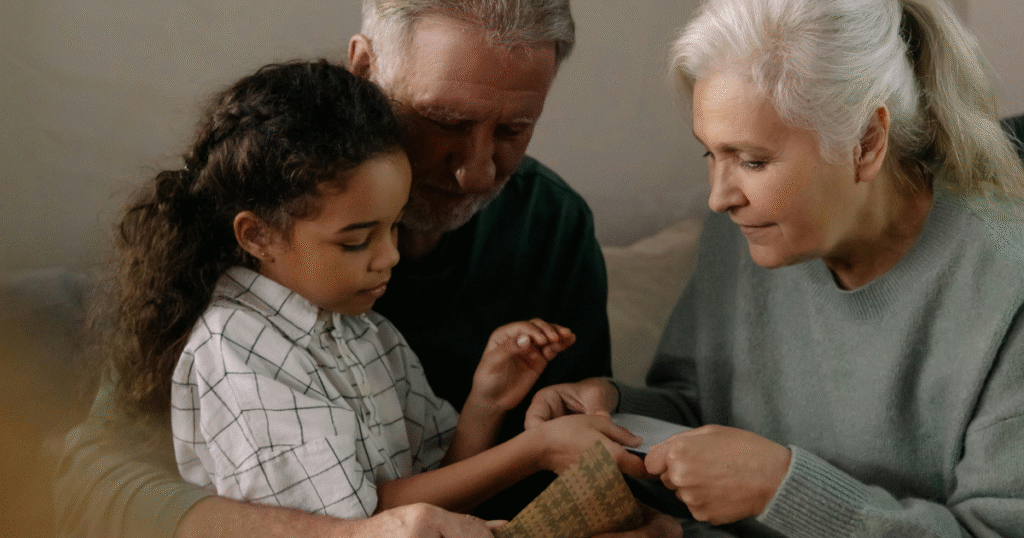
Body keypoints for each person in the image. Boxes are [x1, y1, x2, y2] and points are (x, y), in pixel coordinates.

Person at [54, 2, 683, 537]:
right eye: (445, 121)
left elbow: (580, 452)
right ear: (365, 70)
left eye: (514, 129)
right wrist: (345, 535)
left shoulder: (549, 227)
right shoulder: (245, 231)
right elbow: (93, 478)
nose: (477, 171)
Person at [526, 0, 1024, 536]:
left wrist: (780, 486)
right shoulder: (745, 236)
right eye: (710, 155)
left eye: (752, 161)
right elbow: (709, 413)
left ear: (866, 143)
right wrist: (617, 411)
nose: (718, 197)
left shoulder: (1006, 283)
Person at [145, 59, 637, 517]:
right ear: (258, 235)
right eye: (357, 241)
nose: (390, 258)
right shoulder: (238, 348)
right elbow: (360, 525)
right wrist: (535, 451)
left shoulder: (365, 332)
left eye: (395, 227)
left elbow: (440, 481)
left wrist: (486, 404)